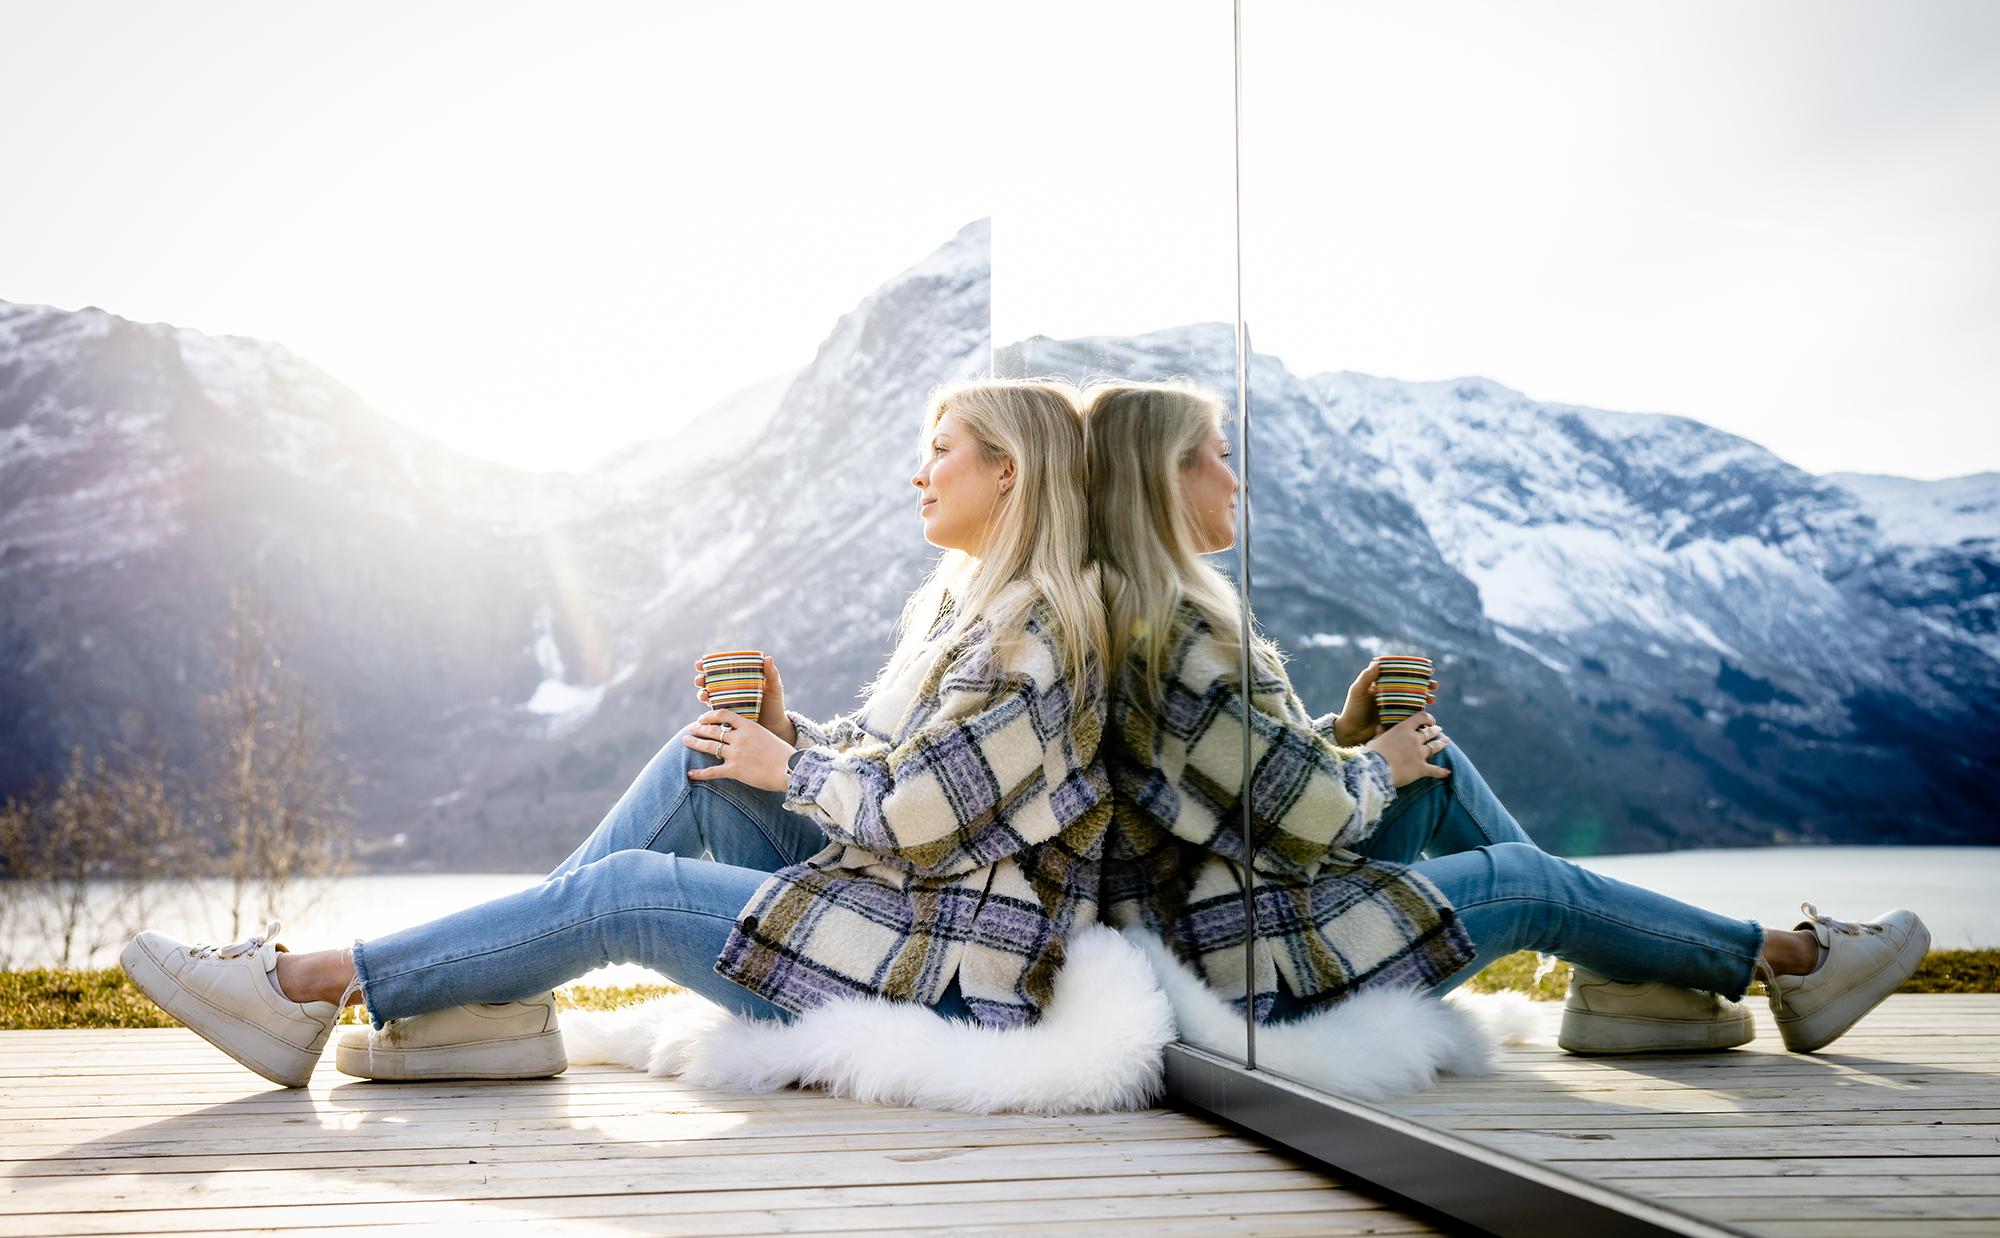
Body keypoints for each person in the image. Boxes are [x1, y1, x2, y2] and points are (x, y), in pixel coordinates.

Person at [120, 377, 1112, 1088]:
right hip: (895, 916)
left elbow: (915, 814)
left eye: (940, 450)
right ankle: (497, 1004)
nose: (920, 474)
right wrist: (781, 733)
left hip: (932, 981)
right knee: (705, 763)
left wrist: (791, 765)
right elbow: (895, 766)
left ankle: (307, 983)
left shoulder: (1039, 637)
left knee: (624, 892)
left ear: (1010, 472)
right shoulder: (964, 610)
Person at [1081, 378, 1929, 1057]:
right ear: (1165, 476)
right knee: (1524, 880)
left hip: (1242, 916)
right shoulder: (1177, 632)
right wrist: (1378, 766)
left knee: (1439, 769)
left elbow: (1232, 789)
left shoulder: (1151, 613)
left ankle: (1618, 981)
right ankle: (1795, 962)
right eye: (1221, 457)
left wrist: (1345, 733)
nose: (1237, 478)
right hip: (1257, 966)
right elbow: (1296, 811)